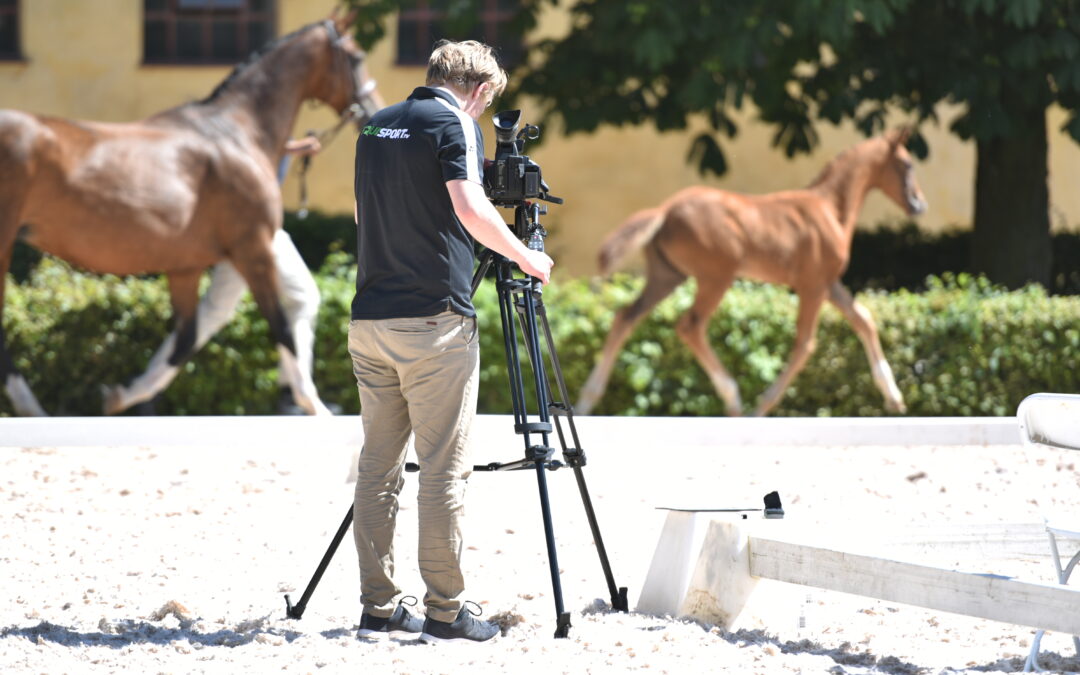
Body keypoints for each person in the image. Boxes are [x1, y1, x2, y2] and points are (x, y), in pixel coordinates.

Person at [349, 39, 553, 644]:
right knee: (443, 471)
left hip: (370, 322)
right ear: (483, 90)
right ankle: (446, 609)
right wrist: (525, 258)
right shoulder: (456, 123)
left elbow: (366, 216)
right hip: (434, 323)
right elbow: (469, 206)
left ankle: (378, 606)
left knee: (378, 468)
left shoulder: (376, 125)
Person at [101, 136, 333, 417]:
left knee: (212, 314)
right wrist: (286, 147)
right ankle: (296, 395)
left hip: (238, 235)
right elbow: (237, 148)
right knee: (303, 299)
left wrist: (287, 149)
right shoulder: (252, 117)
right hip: (256, 231)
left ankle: (136, 393)